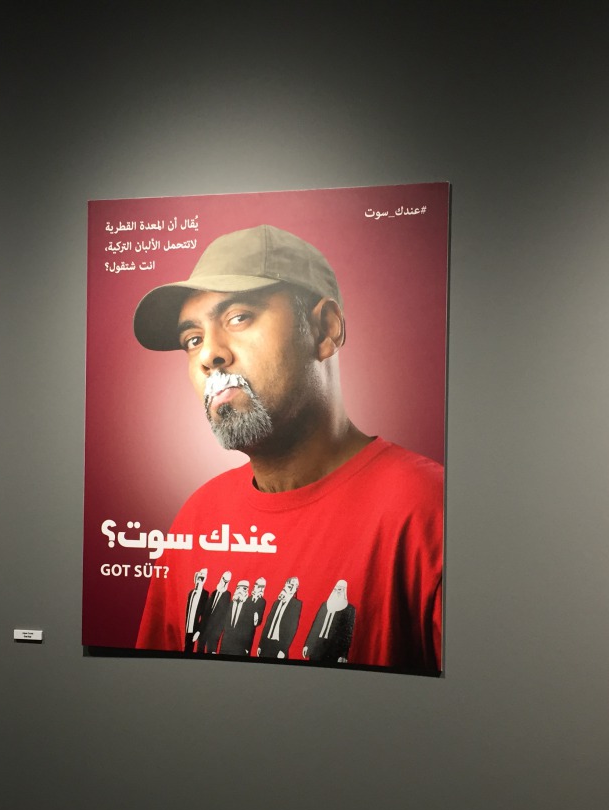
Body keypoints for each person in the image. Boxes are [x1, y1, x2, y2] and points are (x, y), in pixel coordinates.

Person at [133, 224, 443, 672]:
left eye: (239, 317)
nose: (209, 355)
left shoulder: (428, 511)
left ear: (324, 329)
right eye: (192, 339)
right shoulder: (198, 519)